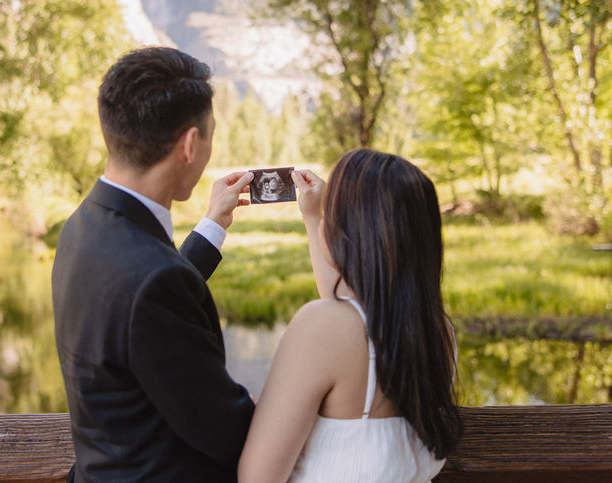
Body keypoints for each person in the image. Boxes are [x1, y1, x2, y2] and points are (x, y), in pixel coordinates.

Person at [51, 47, 255, 482]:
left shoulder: (83, 224)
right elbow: (230, 432)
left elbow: (136, 311)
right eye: (210, 134)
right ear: (189, 145)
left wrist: (212, 225)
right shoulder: (156, 282)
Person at [238, 149, 462, 482]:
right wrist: (313, 218)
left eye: (333, 211)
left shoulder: (323, 326)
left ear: (351, 231)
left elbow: (257, 478)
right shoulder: (437, 330)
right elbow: (351, 308)